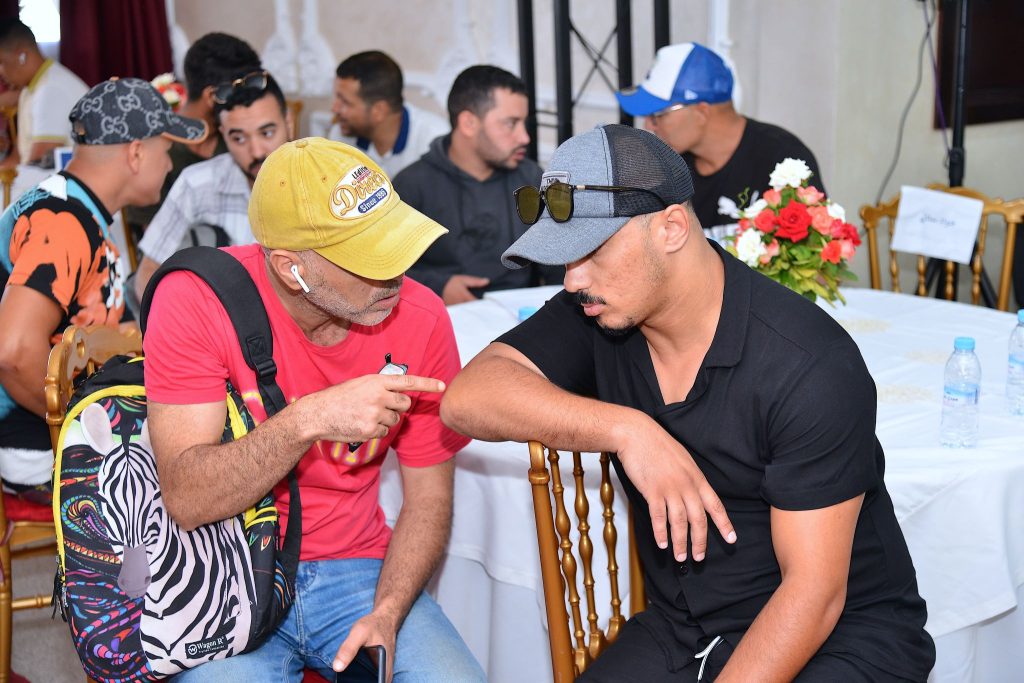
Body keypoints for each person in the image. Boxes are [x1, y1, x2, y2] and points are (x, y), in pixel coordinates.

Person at [441, 124, 935, 681]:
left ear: (671, 228)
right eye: (565, 257)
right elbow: (467, 399)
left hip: (841, 639)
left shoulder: (807, 364)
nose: (573, 279)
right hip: (687, 628)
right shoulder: (600, 310)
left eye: (592, 251)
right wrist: (629, 430)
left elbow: (814, 594)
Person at [142, 137, 486, 682]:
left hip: (360, 570)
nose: (397, 272)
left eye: (396, 244)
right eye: (369, 258)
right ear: (291, 268)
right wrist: (309, 419)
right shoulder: (197, 300)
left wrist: (388, 611)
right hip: (228, 569)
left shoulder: (421, 316)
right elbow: (187, 500)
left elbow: (429, 499)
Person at [0, 77, 205, 498]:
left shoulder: (78, 207)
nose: (169, 164)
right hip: (33, 443)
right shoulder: (63, 222)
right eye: (166, 149)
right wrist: (80, 426)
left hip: (56, 420)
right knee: (198, 476)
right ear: (136, 153)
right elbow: (14, 352)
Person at [617, 42, 824, 241]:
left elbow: (815, 257)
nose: (648, 125)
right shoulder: (668, 170)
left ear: (701, 111)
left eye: (658, 115)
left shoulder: (783, 161)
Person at [394, 65, 561, 305]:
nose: (524, 137)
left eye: (524, 123)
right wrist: (439, 286)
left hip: (519, 316)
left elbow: (557, 263)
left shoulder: (530, 177)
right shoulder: (412, 184)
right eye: (511, 123)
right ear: (469, 123)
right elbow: (378, 267)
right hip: (441, 315)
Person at [133, 71, 292, 300]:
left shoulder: (321, 181)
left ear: (289, 122)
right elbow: (149, 271)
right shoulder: (197, 184)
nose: (256, 151)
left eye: (267, 133)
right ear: (222, 134)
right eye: (239, 138)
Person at [123, 32, 261, 233]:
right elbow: (155, 238)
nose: (250, 100)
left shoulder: (238, 140)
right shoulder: (156, 150)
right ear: (213, 96)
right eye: (243, 90)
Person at [329, 50, 447, 178]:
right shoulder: (340, 137)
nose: (334, 109)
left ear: (379, 111)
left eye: (345, 102)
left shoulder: (433, 141)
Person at [0, 17, 87, 167]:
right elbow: (18, 157)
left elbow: (37, 164)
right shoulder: (31, 88)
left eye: (1, 62)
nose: (0, 72)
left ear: (22, 56)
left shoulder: (51, 89)